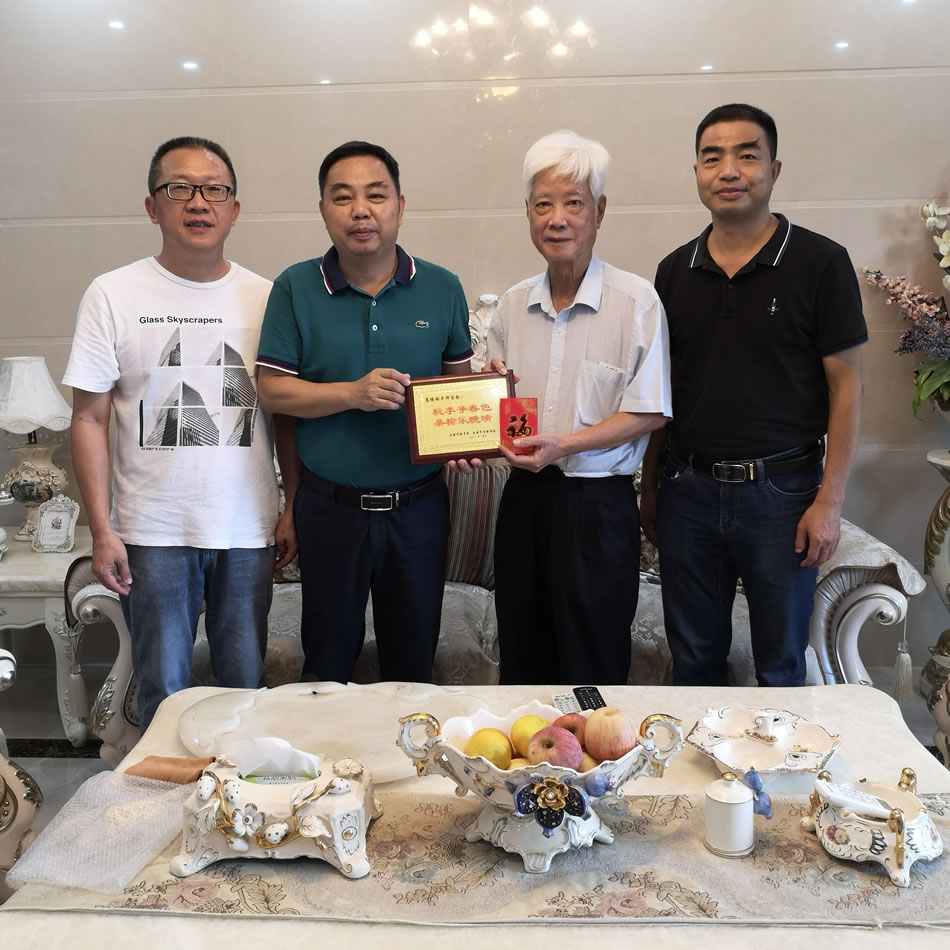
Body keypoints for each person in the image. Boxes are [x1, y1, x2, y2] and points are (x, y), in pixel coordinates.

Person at [65, 135, 298, 730]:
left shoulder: (268, 297)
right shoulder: (112, 294)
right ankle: (159, 791)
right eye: (179, 189)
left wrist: (292, 505)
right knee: (163, 695)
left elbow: (285, 415)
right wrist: (102, 530)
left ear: (234, 209)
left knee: (244, 694)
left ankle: (235, 790)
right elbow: (88, 418)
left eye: (215, 190)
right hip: (152, 532)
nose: (199, 202)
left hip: (245, 530)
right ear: (152, 206)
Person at [641, 103, 867, 687]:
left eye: (747, 155)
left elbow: (847, 386)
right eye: (712, 157)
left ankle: (777, 753)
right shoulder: (673, 272)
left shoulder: (820, 263)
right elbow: (661, 389)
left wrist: (830, 501)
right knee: (693, 663)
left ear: (774, 169)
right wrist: (651, 485)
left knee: (781, 665)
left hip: (783, 495)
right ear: (696, 172)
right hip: (687, 490)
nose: (729, 170)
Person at [255, 141, 473, 684]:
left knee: (413, 667)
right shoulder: (294, 287)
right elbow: (273, 392)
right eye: (342, 197)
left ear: (400, 205)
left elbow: (459, 391)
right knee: (326, 668)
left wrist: (484, 402)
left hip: (418, 509)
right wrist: (351, 394)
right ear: (323, 209)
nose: (360, 211)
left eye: (376, 196)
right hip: (330, 509)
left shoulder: (443, 287)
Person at [482, 130, 671, 685]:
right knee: (523, 652)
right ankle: (528, 744)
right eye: (543, 205)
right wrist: (484, 406)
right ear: (528, 213)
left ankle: (593, 745)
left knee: (593, 659)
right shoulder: (512, 306)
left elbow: (651, 411)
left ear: (599, 211)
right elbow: (500, 409)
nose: (557, 219)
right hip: (523, 501)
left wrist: (565, 444)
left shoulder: (636, 302)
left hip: (597, 507)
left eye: (573, 204)